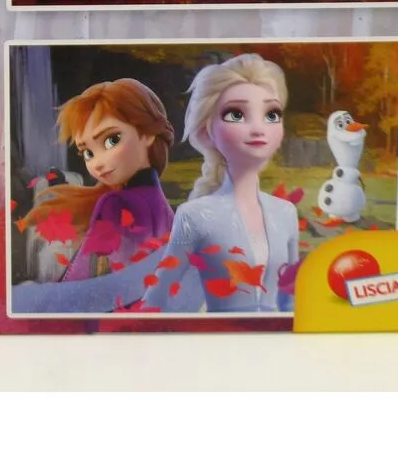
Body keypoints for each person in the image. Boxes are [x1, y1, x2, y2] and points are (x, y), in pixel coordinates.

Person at [143, 54, 299, 313]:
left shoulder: (285, 213)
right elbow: (155, 301)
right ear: (207, 132)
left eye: (271, 114)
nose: (258, 128)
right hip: (220, 336)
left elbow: (291, 299)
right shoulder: (195, 215)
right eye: (236, 114)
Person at [19, 78, 173, 280]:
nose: (97, 163)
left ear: (148, 133)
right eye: (88, 153)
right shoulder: (167, 210)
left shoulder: (114, 203)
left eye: (112, 140)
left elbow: (82, 278)